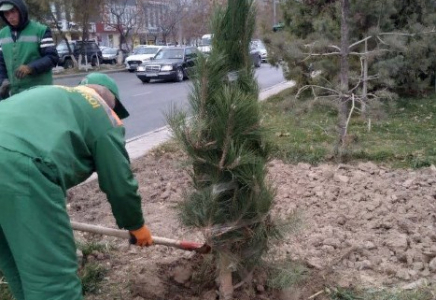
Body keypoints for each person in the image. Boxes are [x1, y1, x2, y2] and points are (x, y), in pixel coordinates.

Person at [0, 72, 153, 300]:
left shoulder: (48, 93)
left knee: (18, 265)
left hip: (11, 160)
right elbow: (119, 182)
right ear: (111, 100)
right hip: (19, 168)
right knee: (53, 282)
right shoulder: (103, 113)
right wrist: (136, 225)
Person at [0, 0, 59, 99]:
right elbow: (1, 63)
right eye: (6, 13)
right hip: (15, 95)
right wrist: (3, 80)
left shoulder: (41, 30)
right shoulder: (2, 35)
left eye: (13, 11)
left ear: (21, 11)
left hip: (39, 93)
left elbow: (52, 58)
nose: (10, 16)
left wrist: (30, 67)